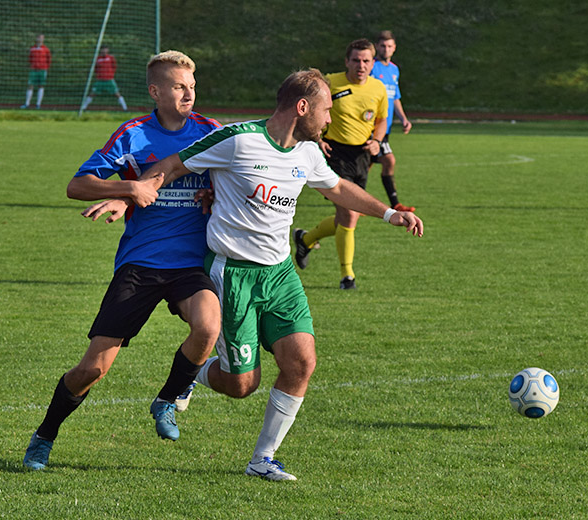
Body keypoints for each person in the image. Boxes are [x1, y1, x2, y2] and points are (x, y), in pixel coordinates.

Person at [88, 68, 423, 481]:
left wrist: (390, 213)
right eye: (325, 111)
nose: (329, 120)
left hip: (280, 274)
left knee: (302, 361)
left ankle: (262, 459)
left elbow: (336, 188)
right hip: (233, 274)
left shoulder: (308, 152)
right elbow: (172, 164)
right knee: (241, 385)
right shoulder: (238, 139)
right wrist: (129, 196)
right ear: (302, 108)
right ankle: (192, 376)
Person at [22, 50, 222, 471]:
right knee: (92, 369)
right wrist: (128, 191)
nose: (189, 93)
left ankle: (167, 399)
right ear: (155, 91)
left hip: (190, 265)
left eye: (192, 85)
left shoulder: (210, 131)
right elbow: (77, 186)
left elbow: (236, 176)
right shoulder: (133, 136)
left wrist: (214, 194)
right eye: (179, 86)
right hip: (140, 265)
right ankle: (45, 434)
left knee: (208, 326)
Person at [294, 39, 388, 290]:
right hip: (334, 151)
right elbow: (308, 112)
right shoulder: (330, 83)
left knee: (349, 214)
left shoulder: (378, 88)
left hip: (361, 156)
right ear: (346, 61)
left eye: (366, 60)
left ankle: (306, 238)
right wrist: (317, 139)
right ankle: (348, 276)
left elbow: (381, 120)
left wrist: (377, 141)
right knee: (350, 213)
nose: (361, 65)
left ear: (373, 63)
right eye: (356, 60)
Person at [371, 30, 414, 212]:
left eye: (389, 46)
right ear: (377, 47)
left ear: (394, 48)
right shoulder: (371, 67)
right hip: (370, 127)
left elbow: (394, 97)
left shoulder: (394, 70)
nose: (386, 49)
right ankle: (393, 203)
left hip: (385, 128)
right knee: (388, 160)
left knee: (367, 164)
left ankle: (353, 201)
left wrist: (403, 119)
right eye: (383, 46)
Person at [81, 46, 128, 112]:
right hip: (100, 80)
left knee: (117, 94)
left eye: (105, 50)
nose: (104, 51)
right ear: (100, 51)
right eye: (103, 50)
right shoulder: (97, 58)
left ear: (107, 50)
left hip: (109, 80)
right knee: (92, 93)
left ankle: (125, 108)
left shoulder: (111, 58)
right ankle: (83, 108)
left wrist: (110, 74)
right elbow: (95, 68)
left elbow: (114, 66)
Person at [21, 34, 51, 109]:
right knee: (30, 85)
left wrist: (46, 68)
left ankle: (38, 104)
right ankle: (27, 103)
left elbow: (49, 59)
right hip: (33, 69)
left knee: (41, 86)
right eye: (39, 38)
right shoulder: (32, 48)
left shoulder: (46, 49)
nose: (40, 39)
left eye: (41, 38)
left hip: (42, 70)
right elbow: (30, 58)